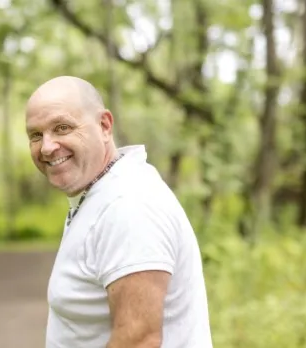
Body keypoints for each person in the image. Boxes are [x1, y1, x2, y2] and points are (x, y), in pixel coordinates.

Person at [24, 75, 213, 348]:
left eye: (62, 127)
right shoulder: (101, 194)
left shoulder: (129, 204)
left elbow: (140, 341)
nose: (47, 146)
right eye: (36, 135)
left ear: (104, 126)